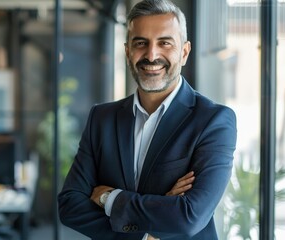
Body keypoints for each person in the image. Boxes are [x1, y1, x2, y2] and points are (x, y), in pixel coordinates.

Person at [57, 0, 237, 239]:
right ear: (128, 51)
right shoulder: (102, 118)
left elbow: (189, 216)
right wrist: (143, 233)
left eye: (165, 43)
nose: (151, 55)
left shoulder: (213, 121)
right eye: (141, 43)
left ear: (184, 52)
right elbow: (69, 206)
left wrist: (109, 198)